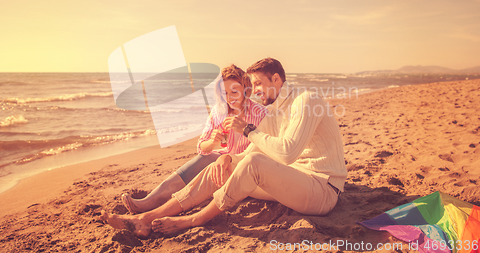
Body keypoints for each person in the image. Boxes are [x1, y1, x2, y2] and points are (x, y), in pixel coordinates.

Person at [101, 58, 347, 238]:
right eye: (253, 85)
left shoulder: (305, 100)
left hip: (322, 189)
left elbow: (287, 152)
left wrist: (249, 130)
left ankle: (194, 219)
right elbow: (254, 151)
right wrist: (227, 157)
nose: (256, 91)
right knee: (223, 166)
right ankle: (145, 218)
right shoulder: (274, 111)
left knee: (254, 164)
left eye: (259, 84)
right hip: (294, 184)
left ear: (277, 79)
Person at [121, 64, 267, 214]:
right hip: (226, 160)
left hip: (248, 167)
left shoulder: (260, 113)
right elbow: (202, 147)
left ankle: (165, 205)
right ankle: (151, 200)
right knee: (206, 157)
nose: (230, 98)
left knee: (217, 160)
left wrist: (245, 130)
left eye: (235, 91)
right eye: (225, 93)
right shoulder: (219, 112)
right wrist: (213, 142)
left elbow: (266, 147)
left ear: (245, 89)